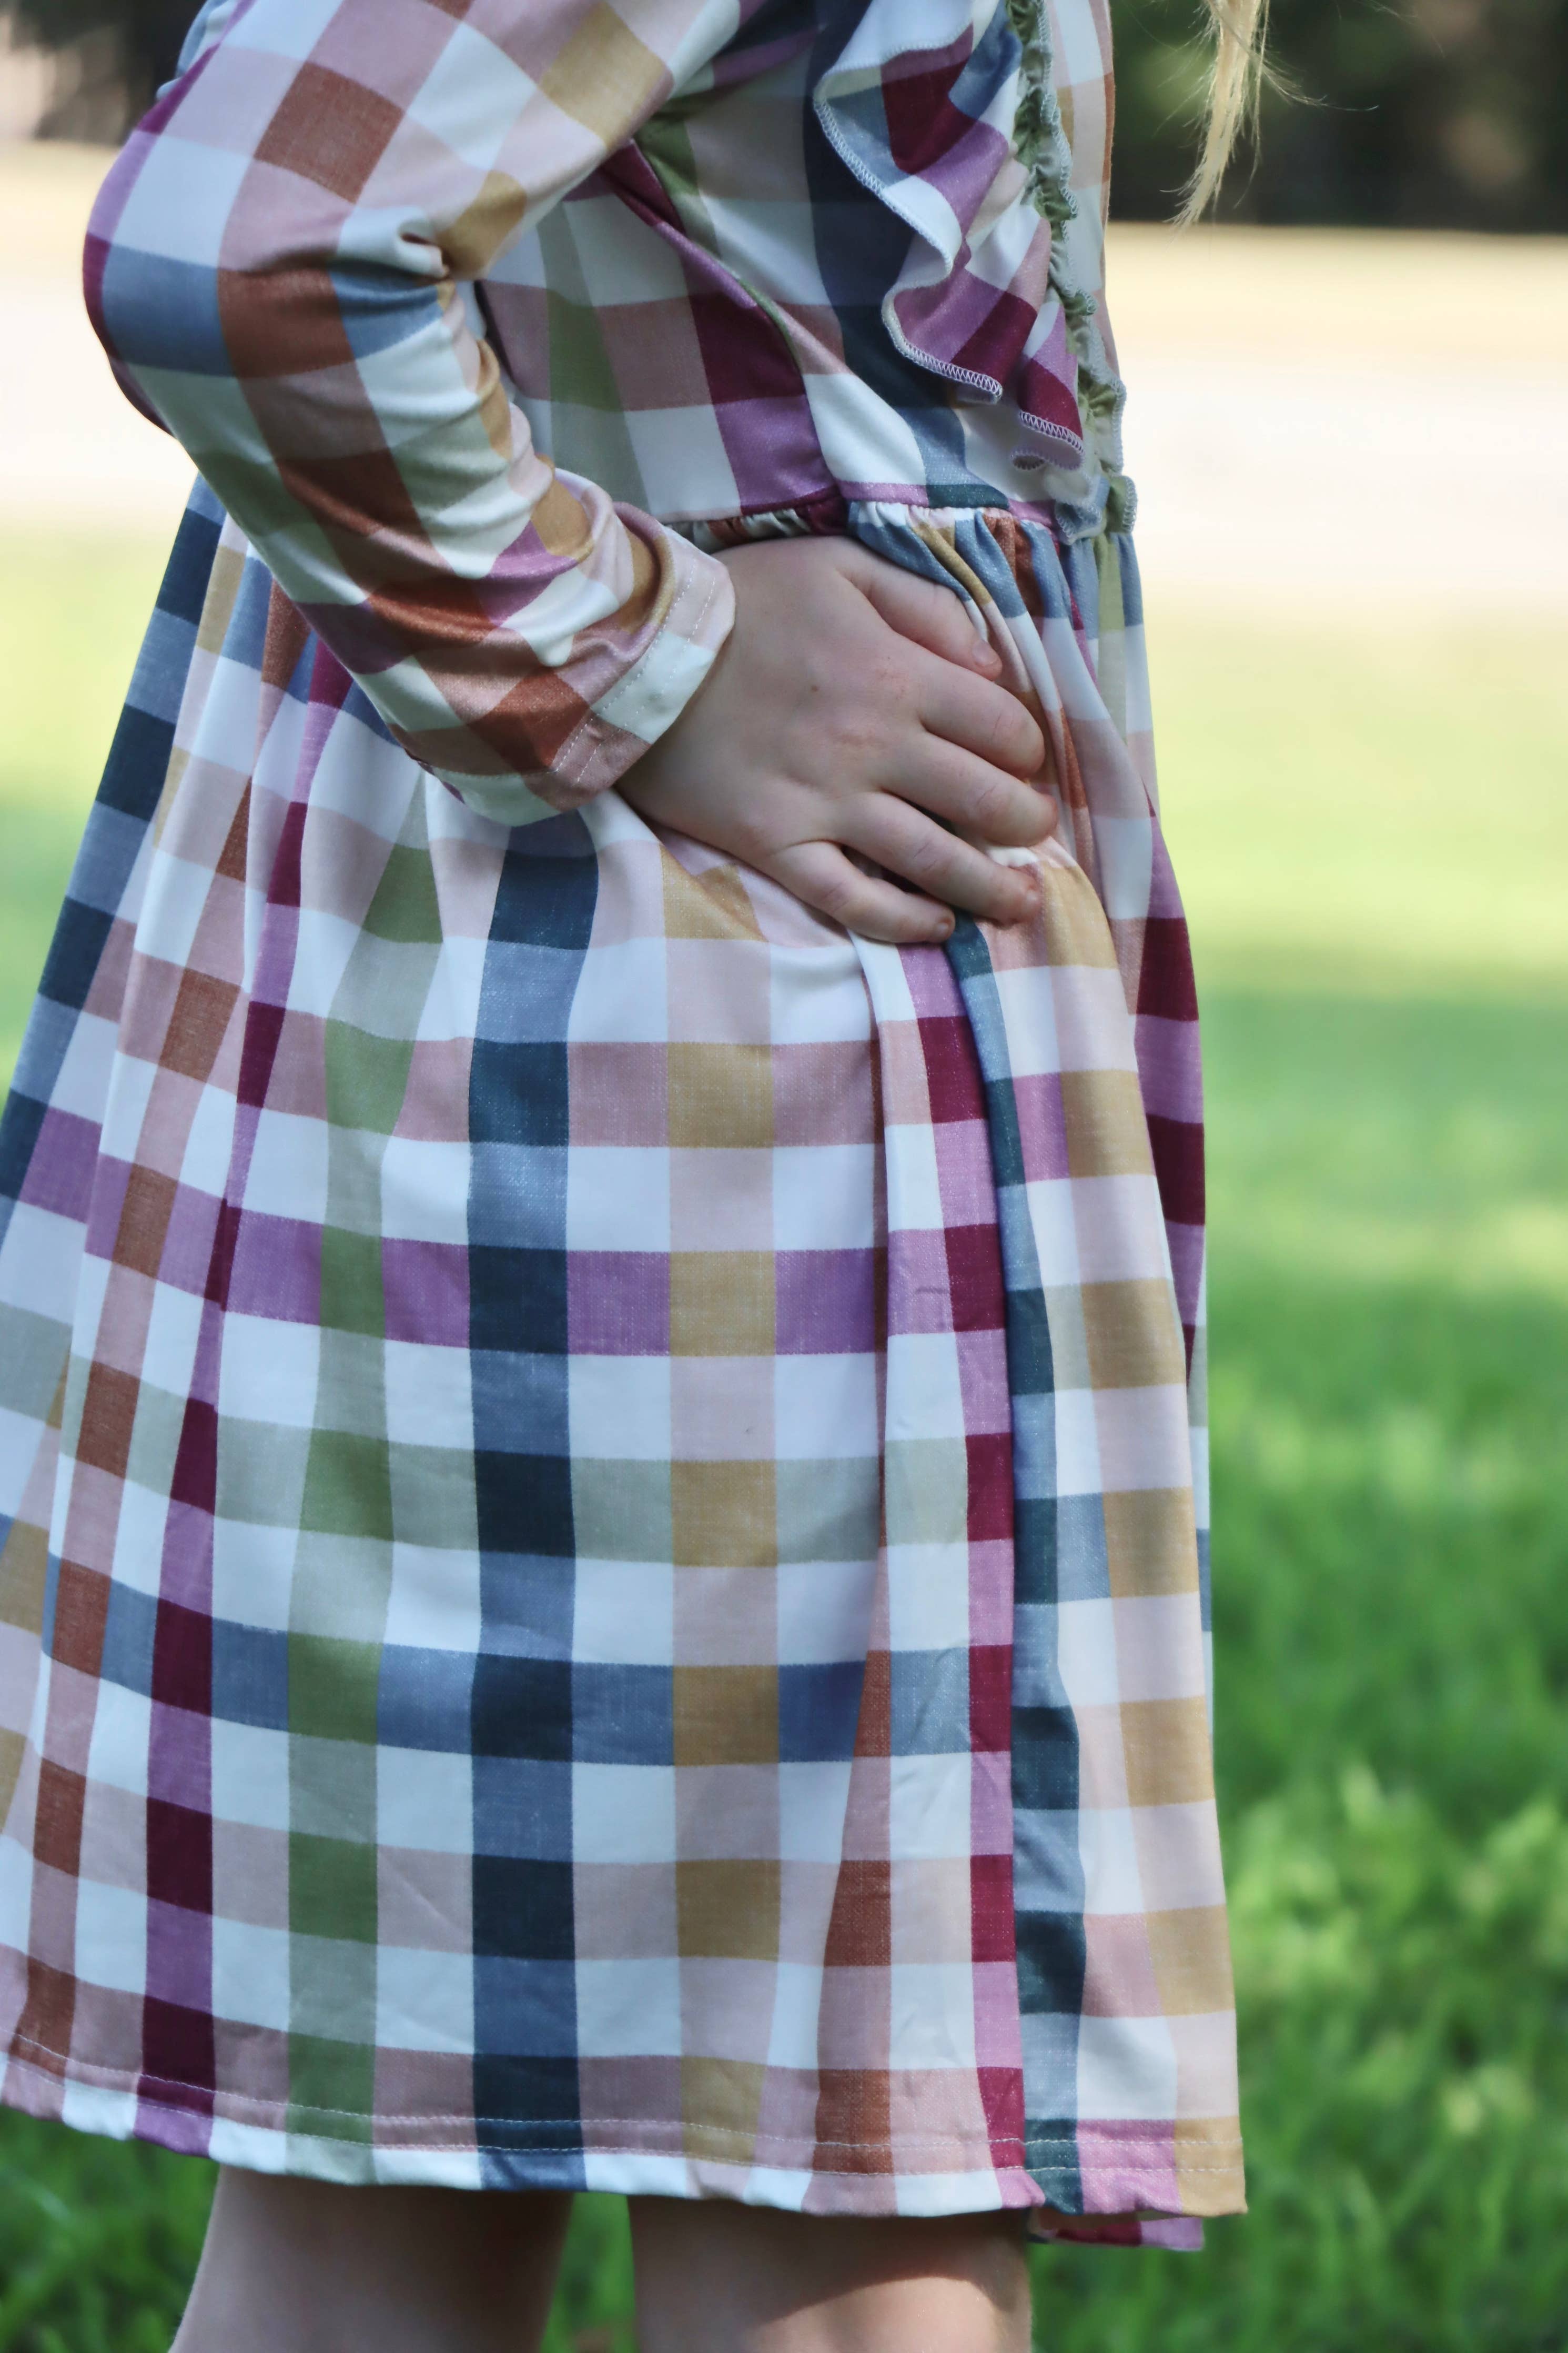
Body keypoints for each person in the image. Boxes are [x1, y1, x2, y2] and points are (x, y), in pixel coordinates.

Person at [0, 0, 1258, 2342]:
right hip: (704, 1107)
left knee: (384, 2190)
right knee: (841, 2212)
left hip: (496, 1049)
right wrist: (658, 655)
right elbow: (246, 233)